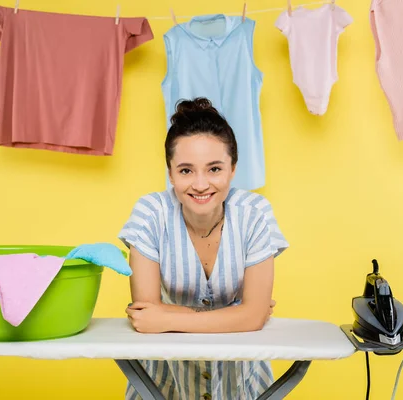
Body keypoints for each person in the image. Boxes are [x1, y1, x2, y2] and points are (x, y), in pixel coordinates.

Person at [117, 97, 289, 400]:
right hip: (162, 381)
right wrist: (238, 314)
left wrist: (169, 316)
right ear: (170, 173)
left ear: (233, 169)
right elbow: (147, 317)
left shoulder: (255, 213)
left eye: (214, 169)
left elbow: (253, 316)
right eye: (186, 170)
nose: (200, 184)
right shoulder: (150, 214)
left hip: (241, 380)